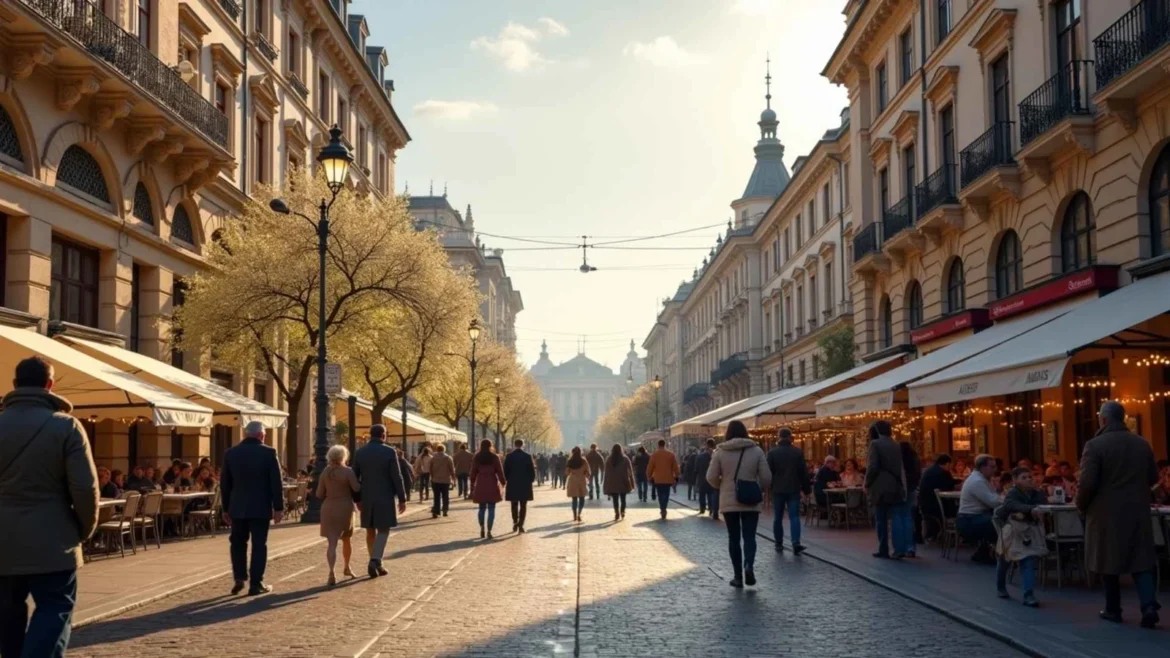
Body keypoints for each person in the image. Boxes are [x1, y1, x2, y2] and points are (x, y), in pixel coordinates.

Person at [0, 356, 99, 658]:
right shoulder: (67, 426)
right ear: (50, 385)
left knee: (6, 614)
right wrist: (83, 530)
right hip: (54, 540)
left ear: (14, 385)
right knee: (55, 609)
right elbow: (85, 488)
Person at [1076, 401, 1160, 628]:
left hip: (1105, 512)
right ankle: (1149, 605)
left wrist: (1081, 505)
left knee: (1107, 559)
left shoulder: (1095, 446)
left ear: (1103, 420)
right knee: (1140, 560)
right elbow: (1153, 476)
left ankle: (1113, 609)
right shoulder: (1142, 444)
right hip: (1137, 510)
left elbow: (1087, 483)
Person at [221, 421, 284, 596]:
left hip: (237, 507)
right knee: (259, 545)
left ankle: (239, 577)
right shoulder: (269, 453)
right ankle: (256, 584)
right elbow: (276, 483)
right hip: (260, 507)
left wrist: (225, 509)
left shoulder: (231, 453)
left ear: (245, 434)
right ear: (261, 435)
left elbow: (225, 484)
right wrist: (278, 507)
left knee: (237, 543)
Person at [706, 421, 771, 588]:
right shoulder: (756, 450)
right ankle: (748, 565)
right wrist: (757, 486)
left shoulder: (720, 451)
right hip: (750, 498)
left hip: (729, 500)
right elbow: (766, 478)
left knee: (733, 538)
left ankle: (737, 576)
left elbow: (711, 476)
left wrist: (722, 486)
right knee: (750, 536)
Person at [352, 424, 408, 578]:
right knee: (383, 530)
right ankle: (375, 560)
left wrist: (357, 498)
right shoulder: (389, 452)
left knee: (370, 530)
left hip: (366, 496)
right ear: (384, 435)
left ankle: (376, 562)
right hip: (385, 495)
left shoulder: (360, 452)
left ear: (370, 435)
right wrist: (402, 498)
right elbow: (396, 476)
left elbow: (354, 477)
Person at [994, 467, 1047, 607]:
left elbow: (1043, 504)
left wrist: (1038, 492)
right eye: (1024, 477)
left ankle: (1028, 594)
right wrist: (1030, 509)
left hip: (1029, 531)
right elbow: (1010, 505)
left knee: (1028, 560)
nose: (1029, 479)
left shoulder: (1036, 492)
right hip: (1012, 530)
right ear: (1015, 480)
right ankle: (1000, 586)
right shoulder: (1012, 493)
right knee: (1004, 559)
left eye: (1030, 476)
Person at [316, 444, 360, 586]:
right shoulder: (348, 471)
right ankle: (347, 567)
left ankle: (331, 572)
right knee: (346, 539)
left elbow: (318, 494)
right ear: (344, 456)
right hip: (345, 507)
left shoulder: (325, 472)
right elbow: (356, 488)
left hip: (328, 507)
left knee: (332, 542)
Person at [865, 421, 908, 559]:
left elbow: (873, 467)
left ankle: (883, 548)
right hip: (895, 485)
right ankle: (899, 548)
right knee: (895, 517)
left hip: (880, 486)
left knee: (881, 519)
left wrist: (867, 482)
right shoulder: (896, 444)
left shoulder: (875, 444)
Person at [767, 428, 809, 554]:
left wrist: (768, 487)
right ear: (790, 437)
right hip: (793, 488)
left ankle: (778, 543)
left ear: (778, 437)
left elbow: (769, 473)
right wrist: (806, 489)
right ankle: (796, 542)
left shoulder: (772, 452)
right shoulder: (797, 452)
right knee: (794, 516)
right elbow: (803, 472)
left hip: (777, 489)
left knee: (778, 517)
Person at [956, 454, 1000, 565]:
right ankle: (994, 554)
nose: (995, 469)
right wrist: (1007, 499)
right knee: (999, 523)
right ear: (982, 467)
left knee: (998, 520)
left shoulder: (982, 479)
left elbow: (994, 498)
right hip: (969, 520)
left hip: (973, 517)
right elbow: (993, 502)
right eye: (992, 467)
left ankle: (984, 552)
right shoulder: (977, 481)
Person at [470, 440, 506, 538]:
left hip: (481, 484)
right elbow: (500, 471)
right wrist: (503, 482)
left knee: (481, 508)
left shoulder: (477, 457)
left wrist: (472, 484)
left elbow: (473, 473)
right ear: (491, 446)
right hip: (492, 485)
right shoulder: (495, 457)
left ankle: (482, 527)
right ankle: (489, 531)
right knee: (491, 509)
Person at [919, 454, 956, 539]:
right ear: (947, 464)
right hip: (936, 507)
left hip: (925, 505)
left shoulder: (930, 471)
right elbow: (948, 488)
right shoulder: (943, 473)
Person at [504, 439, 536, 533]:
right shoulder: (527, 456)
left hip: (513, 483)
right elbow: (532, 471)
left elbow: (505, 470)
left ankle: (515, 522)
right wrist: (531, 480)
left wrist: (507, 479)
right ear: (523, 445)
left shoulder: (509, 456)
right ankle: (521, 524)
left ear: (514, 445)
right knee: (523, 505)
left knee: (514, 504)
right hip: (524, 484)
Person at [646, 440, 680, 520]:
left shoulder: (654, 455)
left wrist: (649, 476)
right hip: (668, 478)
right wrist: (676, 476)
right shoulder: (671, 455)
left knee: (660, 494)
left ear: (658, 445)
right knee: (666, 494)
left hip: (658, 479)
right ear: (665, 445)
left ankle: (662, 508)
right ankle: (664, 508)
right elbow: (676, 467)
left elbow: (650, 467)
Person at [900, 441, 922, 557]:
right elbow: (918, 475)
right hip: (912, 489)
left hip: (901, 489)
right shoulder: (915, 459)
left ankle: (902, 546)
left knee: (900, 517)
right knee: (909, 517)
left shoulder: (899, 460)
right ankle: (911, 546)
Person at [603, 444, 636, 521]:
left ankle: (616, 512)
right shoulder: (625, 459)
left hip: (613, 482)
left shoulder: (609, 459)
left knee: (615, 499)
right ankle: (623, 511)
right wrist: (632, 482)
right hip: (623, 481)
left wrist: (606, 484)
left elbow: (606, 473)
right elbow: (630, 471)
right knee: (623, 499)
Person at [694, 438, 719, 520]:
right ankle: (711, 509)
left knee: (702, 494)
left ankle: (702, 508)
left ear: (706, 445)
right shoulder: (716, 455)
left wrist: (696, 476)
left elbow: (696, 469)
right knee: (711, 494)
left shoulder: (700, 456)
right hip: (713, 478)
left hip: (702, 479)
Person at [428, 444, 455, 519]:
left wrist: (432, 476)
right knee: (445, 496)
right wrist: (453, 479)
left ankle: (436, 511)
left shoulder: (433, 458)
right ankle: (445, 510)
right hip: (446, 480)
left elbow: (430, 468)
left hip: (435, 480)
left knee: (436, 496)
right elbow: (452, 470)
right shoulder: (448, 458)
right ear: (444, 450)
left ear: (437, 450)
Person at [565, 447, 590, 522]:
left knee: (574, 499)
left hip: (572, 481)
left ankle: (574, 515)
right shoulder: (583, 461)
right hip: (581, 481)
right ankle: (579, 513)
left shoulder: (570, 461)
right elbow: (587, 472)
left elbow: (567, 472)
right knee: (582, 499)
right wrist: (585, 474)